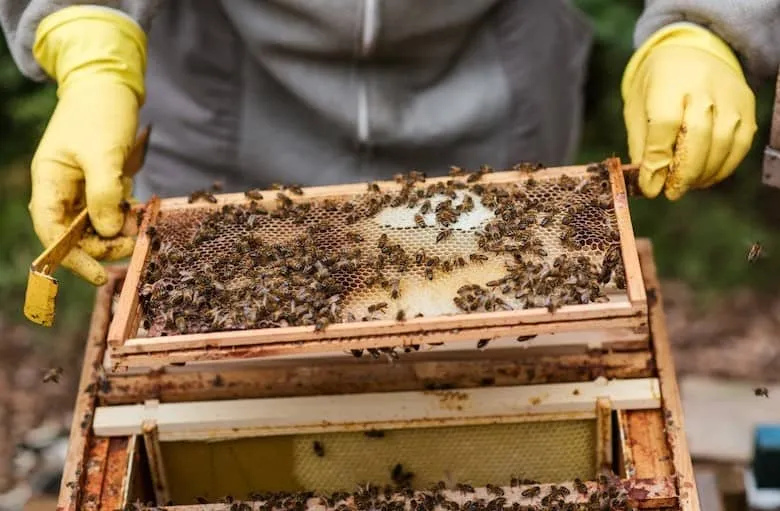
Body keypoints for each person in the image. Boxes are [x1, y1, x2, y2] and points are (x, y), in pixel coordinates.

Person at [0, 1, 765, 288]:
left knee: (503, 348)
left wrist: (709, 26)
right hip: (224, 90)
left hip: (496, 77)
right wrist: (87, 28)